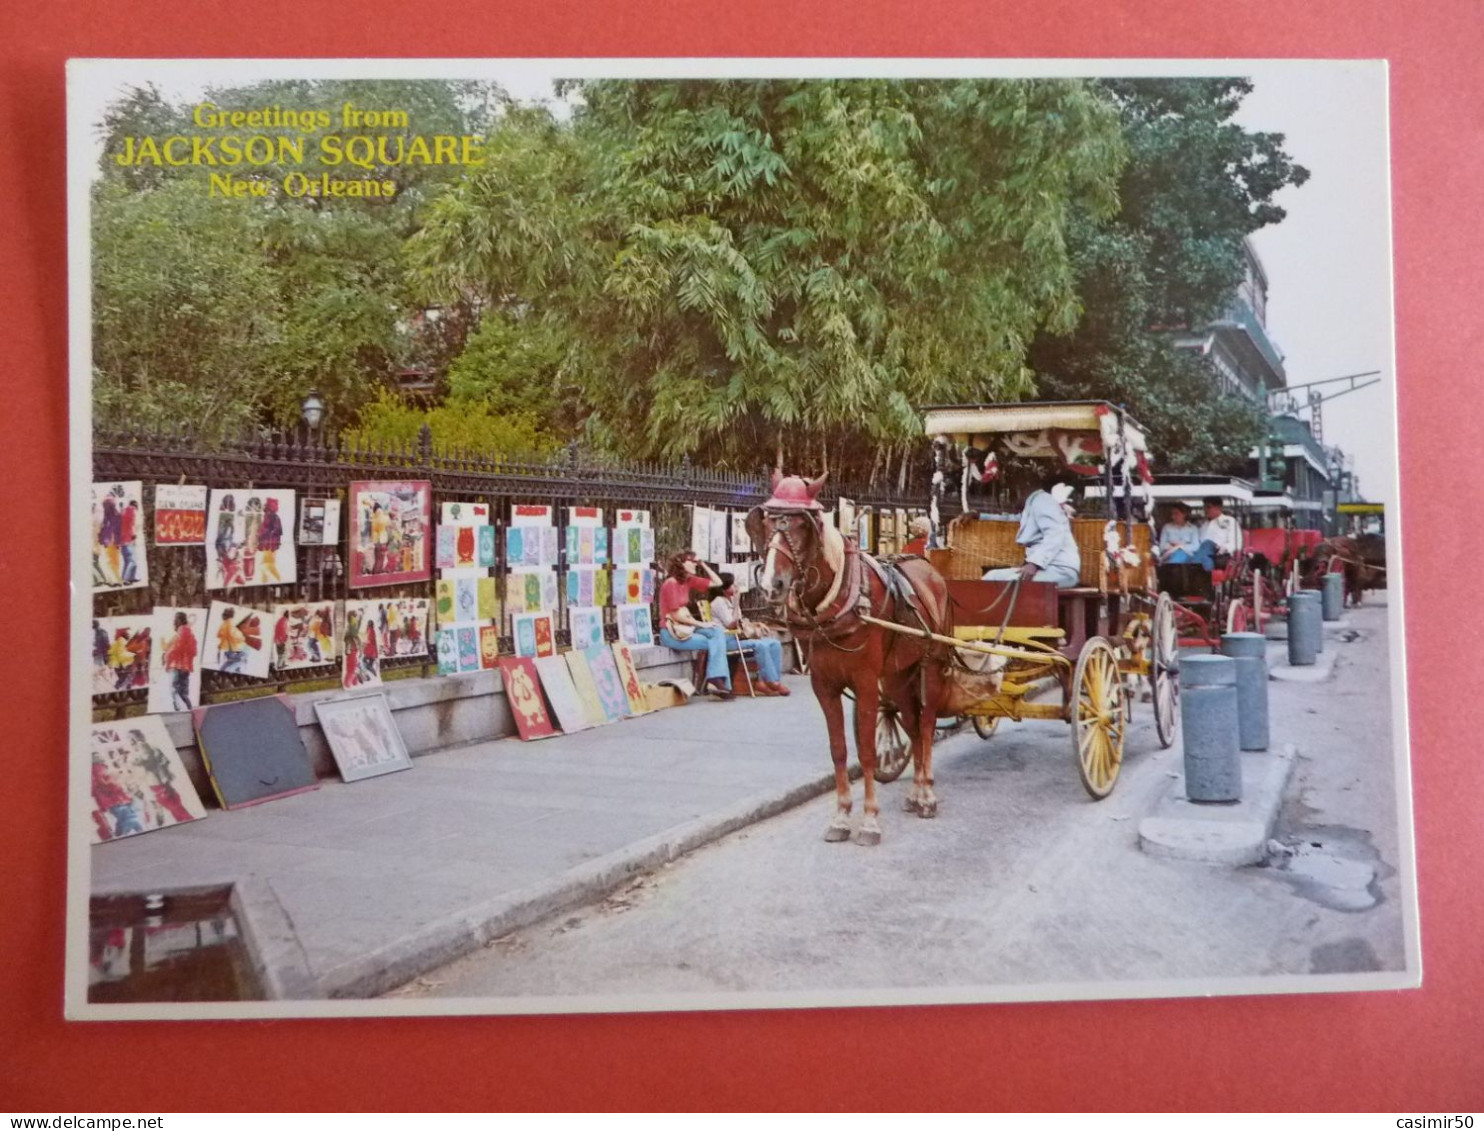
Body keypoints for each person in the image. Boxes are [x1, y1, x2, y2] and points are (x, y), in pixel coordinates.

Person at [982, 476, 1082, 588]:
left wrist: (1034, 564)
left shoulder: (1043, 500)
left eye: (1012, 492)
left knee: (1004, 582)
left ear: (1022, 489)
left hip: (1060, 571)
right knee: (992, 576)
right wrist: (979, 516)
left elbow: (1055, 533)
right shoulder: (1033, 504)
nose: (1011, 499)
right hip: (1049, 569)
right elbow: (1010, 519)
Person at [659, 551, 734, 699]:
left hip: (686, 629)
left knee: (717, 632)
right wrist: (701, 624)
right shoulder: (671, 583)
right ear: (680, 563)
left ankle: (715, 680)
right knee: (716, 641)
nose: (695, 563)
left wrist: (703, 564)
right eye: (691, 561)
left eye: (695, 561)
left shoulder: (689, 581)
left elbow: (718, 583)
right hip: (671, 633)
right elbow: (675, 615)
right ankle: (718, 682)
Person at [709, 573, 789, 696]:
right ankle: (771, 681)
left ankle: (768, 682)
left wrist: (755, 624)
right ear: (724, 589)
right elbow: (731, 625)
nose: (735, 587)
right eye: (732, 585)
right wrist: (736, 604)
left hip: (739, 637)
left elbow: (741, 622)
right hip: (727, 640)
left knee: (774, 643)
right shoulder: (718, 602)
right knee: (760, 646)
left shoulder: (730, 600)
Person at [162, 610, 198, 710]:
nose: (174, 622)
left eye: (175, 620)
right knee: (183, 692)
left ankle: (178, 711)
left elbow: (178, 647)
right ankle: (189, 710)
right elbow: (194, 651)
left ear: (179, 621)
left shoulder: (182, 631)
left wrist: (167, 654)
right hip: (186, 667)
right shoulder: (190, 634)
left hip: (176, 666)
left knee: (174, 690)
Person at [1199, 496, 1242, 567]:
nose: (1205, 510)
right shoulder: (1204, 525)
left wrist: (1223, 548)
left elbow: (1236, 544)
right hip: (1204, 554)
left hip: (1222, 555)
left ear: (1218, 507)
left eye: (1208, 507)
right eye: (1204, 507)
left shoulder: (1229, 521)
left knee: (1207, 544)